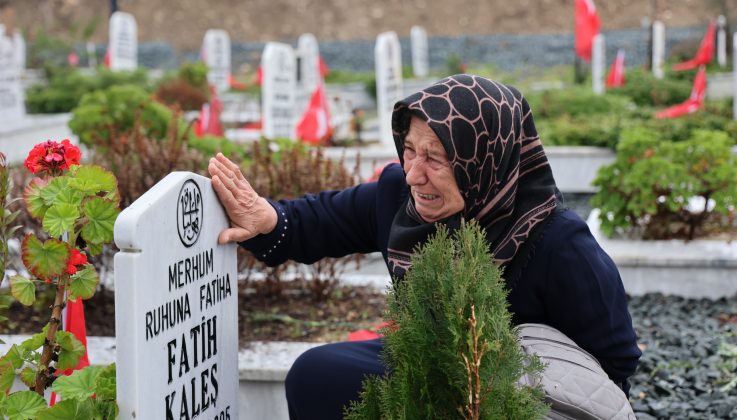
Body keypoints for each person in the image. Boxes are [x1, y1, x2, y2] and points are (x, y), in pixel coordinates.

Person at [208, 74, 641, 419]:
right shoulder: (400, 198)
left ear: (485, 159)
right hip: (432, 360)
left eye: (436, 158)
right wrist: (269, 220)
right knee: (316, 376)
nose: (415, 173)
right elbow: (322, 220)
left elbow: (614, 364)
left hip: (523, 394)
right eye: (409, 150)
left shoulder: (559, 242)